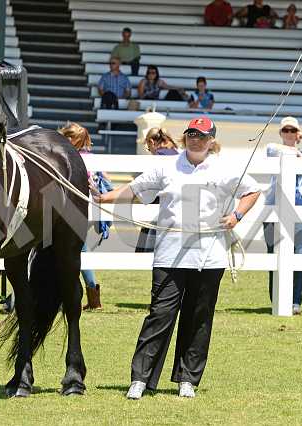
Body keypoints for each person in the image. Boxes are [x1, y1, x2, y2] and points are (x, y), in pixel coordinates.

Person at [94, 117, 260, 399]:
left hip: (209, 256)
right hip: (169, 255)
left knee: (198, 318)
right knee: (160, 314)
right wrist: (103, 198)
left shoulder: (224, 168)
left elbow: (253, 190)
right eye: (191, 134)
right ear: (185, 137)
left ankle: (187, 379)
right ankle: (140, 379)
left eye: (201, 135)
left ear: (211, 140)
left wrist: (236, 215)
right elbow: (134, 190)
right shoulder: (166, 166)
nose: (196, 139)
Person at [263, 117, 302, 315]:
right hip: (274, 209)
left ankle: (295, 301)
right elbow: (271, 148)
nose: (290, 133)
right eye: (286, 130)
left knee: (299, 253)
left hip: (299, 209)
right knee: (274, 254)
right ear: (281, 133)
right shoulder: (274, 149)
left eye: (293, 130)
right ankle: (277, 299)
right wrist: (295, 153)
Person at [58, 122, 111, 310]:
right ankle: (93, 296)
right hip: (88, 206)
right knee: (81, 248)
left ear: (73, 139)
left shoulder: (73, 157)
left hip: (75, 206)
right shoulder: (91, 156)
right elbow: (106, 177)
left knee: (71, 250)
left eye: (67, 137)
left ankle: (69, 296)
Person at [135, 128, 179, 253]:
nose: (150, 152)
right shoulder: (179, 155)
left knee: (147, 252)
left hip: (159, 211)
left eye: (149, 148)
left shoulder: (158, 159)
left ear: (152, 142)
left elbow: (143, 188)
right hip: (177, 210)